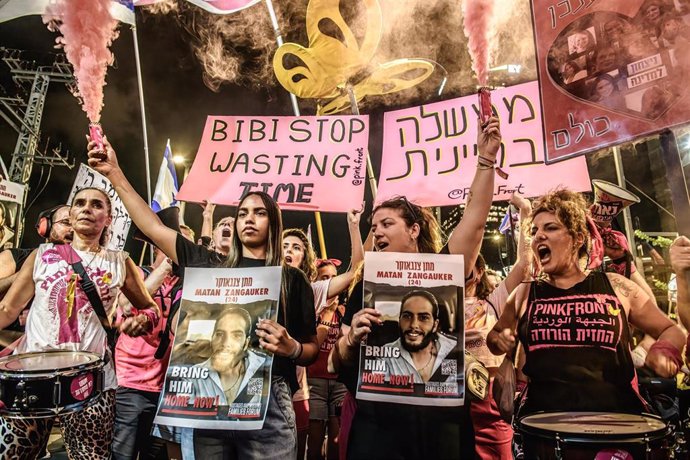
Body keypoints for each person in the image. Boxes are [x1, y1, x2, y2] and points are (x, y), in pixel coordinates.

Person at [87, 137, 319, 459]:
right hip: (206, 398)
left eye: (259, 213)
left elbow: (311, 349)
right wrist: (114, 172)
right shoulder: (208, 263)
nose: (248, 219)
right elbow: (153, 227)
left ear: (274, 222)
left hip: (267, 404)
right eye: (242, 213)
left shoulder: (291, 279)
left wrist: (291, 347)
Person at [332, 115, 502, 459]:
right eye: (373, 225)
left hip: (441, 430)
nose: (377, 231)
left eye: (387, 223)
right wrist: (350, 340)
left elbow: (476, 219)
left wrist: (485, 161)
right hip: (377, 429)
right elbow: (336, 363)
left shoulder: (443, 271)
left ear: (413, 230)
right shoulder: (365, 284)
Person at [487, 189, 685, 418]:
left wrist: (664, 351)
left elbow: (670, 329)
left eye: (550, 227)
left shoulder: (617, 287)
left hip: (616, 422)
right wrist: (499, 341)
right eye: (534, 231)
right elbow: (494, 337)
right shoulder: (524, 292)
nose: (539, 235)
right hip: (544, 428)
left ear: (578, 238)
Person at [0, 187, 160, 459]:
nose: (87, 208)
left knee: (91, 456)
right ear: (71, 215)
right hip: (32, 379)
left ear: (108, 218)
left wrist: (142, 320)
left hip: (91, 382)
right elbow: (7, 308)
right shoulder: (41, 256)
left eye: (96, 205)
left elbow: (150, 308)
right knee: (14, 454)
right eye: (80, 203)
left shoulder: (119, 262)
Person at [112, 208, 195, 460]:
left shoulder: (188, 284)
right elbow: (125, 306)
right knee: (123, 452)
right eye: (174, 245)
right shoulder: (139, 272)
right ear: (158, 247)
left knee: (155, 455)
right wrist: (164, 270)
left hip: (168, 385)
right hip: (132, 381)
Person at [282, 210, 363, 460]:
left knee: (298, 449)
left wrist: (353, 225)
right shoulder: (258, 279)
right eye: (284, 245)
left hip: (293, 389)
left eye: (296, 247)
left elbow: (355, 271)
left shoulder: (312, 290)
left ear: (304, 258)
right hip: (257, 387)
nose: (289, 250)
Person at [465, 193, 531, 460]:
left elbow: (524, 266)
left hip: (489, 406)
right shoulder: (437, 302)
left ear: (479, 272)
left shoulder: (493, 302)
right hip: (453, 403)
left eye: (469, 264)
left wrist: (525, 212)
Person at [307, 258, 349, 460]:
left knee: (337, 440)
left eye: (334, 278)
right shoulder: (312, 309)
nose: (332, 282)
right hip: (314, 380)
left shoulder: (344, 312)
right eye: (325, 278)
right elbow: (314, 346)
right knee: (314, 441)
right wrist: (328, 313)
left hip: (339, 382)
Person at [191, 307, 270, 405]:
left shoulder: (264, 366)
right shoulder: (193, 376)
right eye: (219, 334)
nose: (225, 343)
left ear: (246, 343)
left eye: (236, 335)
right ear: (212, 338)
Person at [382, 290, 460, 384]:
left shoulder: (454, 349)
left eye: (423, 318)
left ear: (435, 325)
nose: (414, 325)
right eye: (407, 316)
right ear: (399, 321)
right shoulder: (385, 354)